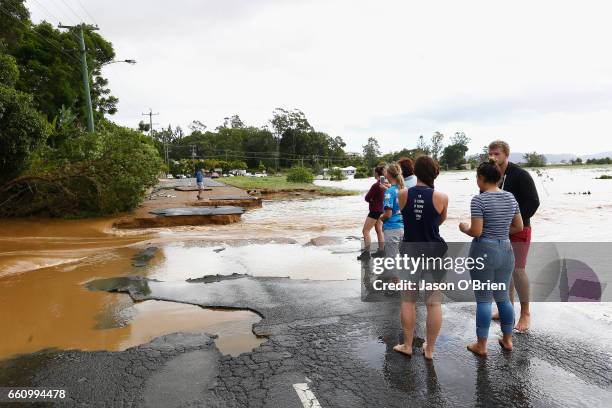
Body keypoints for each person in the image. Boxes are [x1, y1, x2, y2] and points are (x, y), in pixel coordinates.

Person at [459, 159, 524, 356]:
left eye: (476, 177)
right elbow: (519, 227)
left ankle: (482, 345)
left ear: (481, 178)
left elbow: (477, 231)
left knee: (484, 300)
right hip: (505, 249)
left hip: (484, 251)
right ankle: (507, 339)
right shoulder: (510, 197)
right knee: (503, 297)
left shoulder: (478, 200)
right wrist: (501, 231)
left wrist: (464, 229)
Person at [394, 155, 448, 360]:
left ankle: (408, 345)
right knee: (434, 303)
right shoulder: (442, 197)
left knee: (408, 301)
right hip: (434, 251)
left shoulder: (402, 194)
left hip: (410, 251)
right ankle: (430, 350)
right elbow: (439, 221)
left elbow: (408, 218)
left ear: (416, 172)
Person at [488, 140, 539, 332]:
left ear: (506, 155)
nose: (492, 157)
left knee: (517, 271)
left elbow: (533, 202)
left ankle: (525, 314)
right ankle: (505, 310)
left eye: (496, 154)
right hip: (498, 232)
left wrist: (514, 222)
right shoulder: (490, 174)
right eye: (490, 154)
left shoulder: (520, 175)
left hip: (519, 230)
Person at [358, 163, 386, 260]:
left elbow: (367, 198)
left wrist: (371, 200)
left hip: (375, 210)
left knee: (365, 231)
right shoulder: (385, 184)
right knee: (379, 230)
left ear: (377, 174)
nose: (374, 174)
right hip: (382, 210)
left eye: (375, 172)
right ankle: (382, 251)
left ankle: (366, 253)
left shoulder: (376, 185)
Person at [379, 163, 405, 258]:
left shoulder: (389, 192)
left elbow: (388, 215)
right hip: (403, 227)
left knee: (392, 260)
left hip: (391, 229)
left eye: (385, 171)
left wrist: (381, 218)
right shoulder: (403, 189)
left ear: (388, 174)